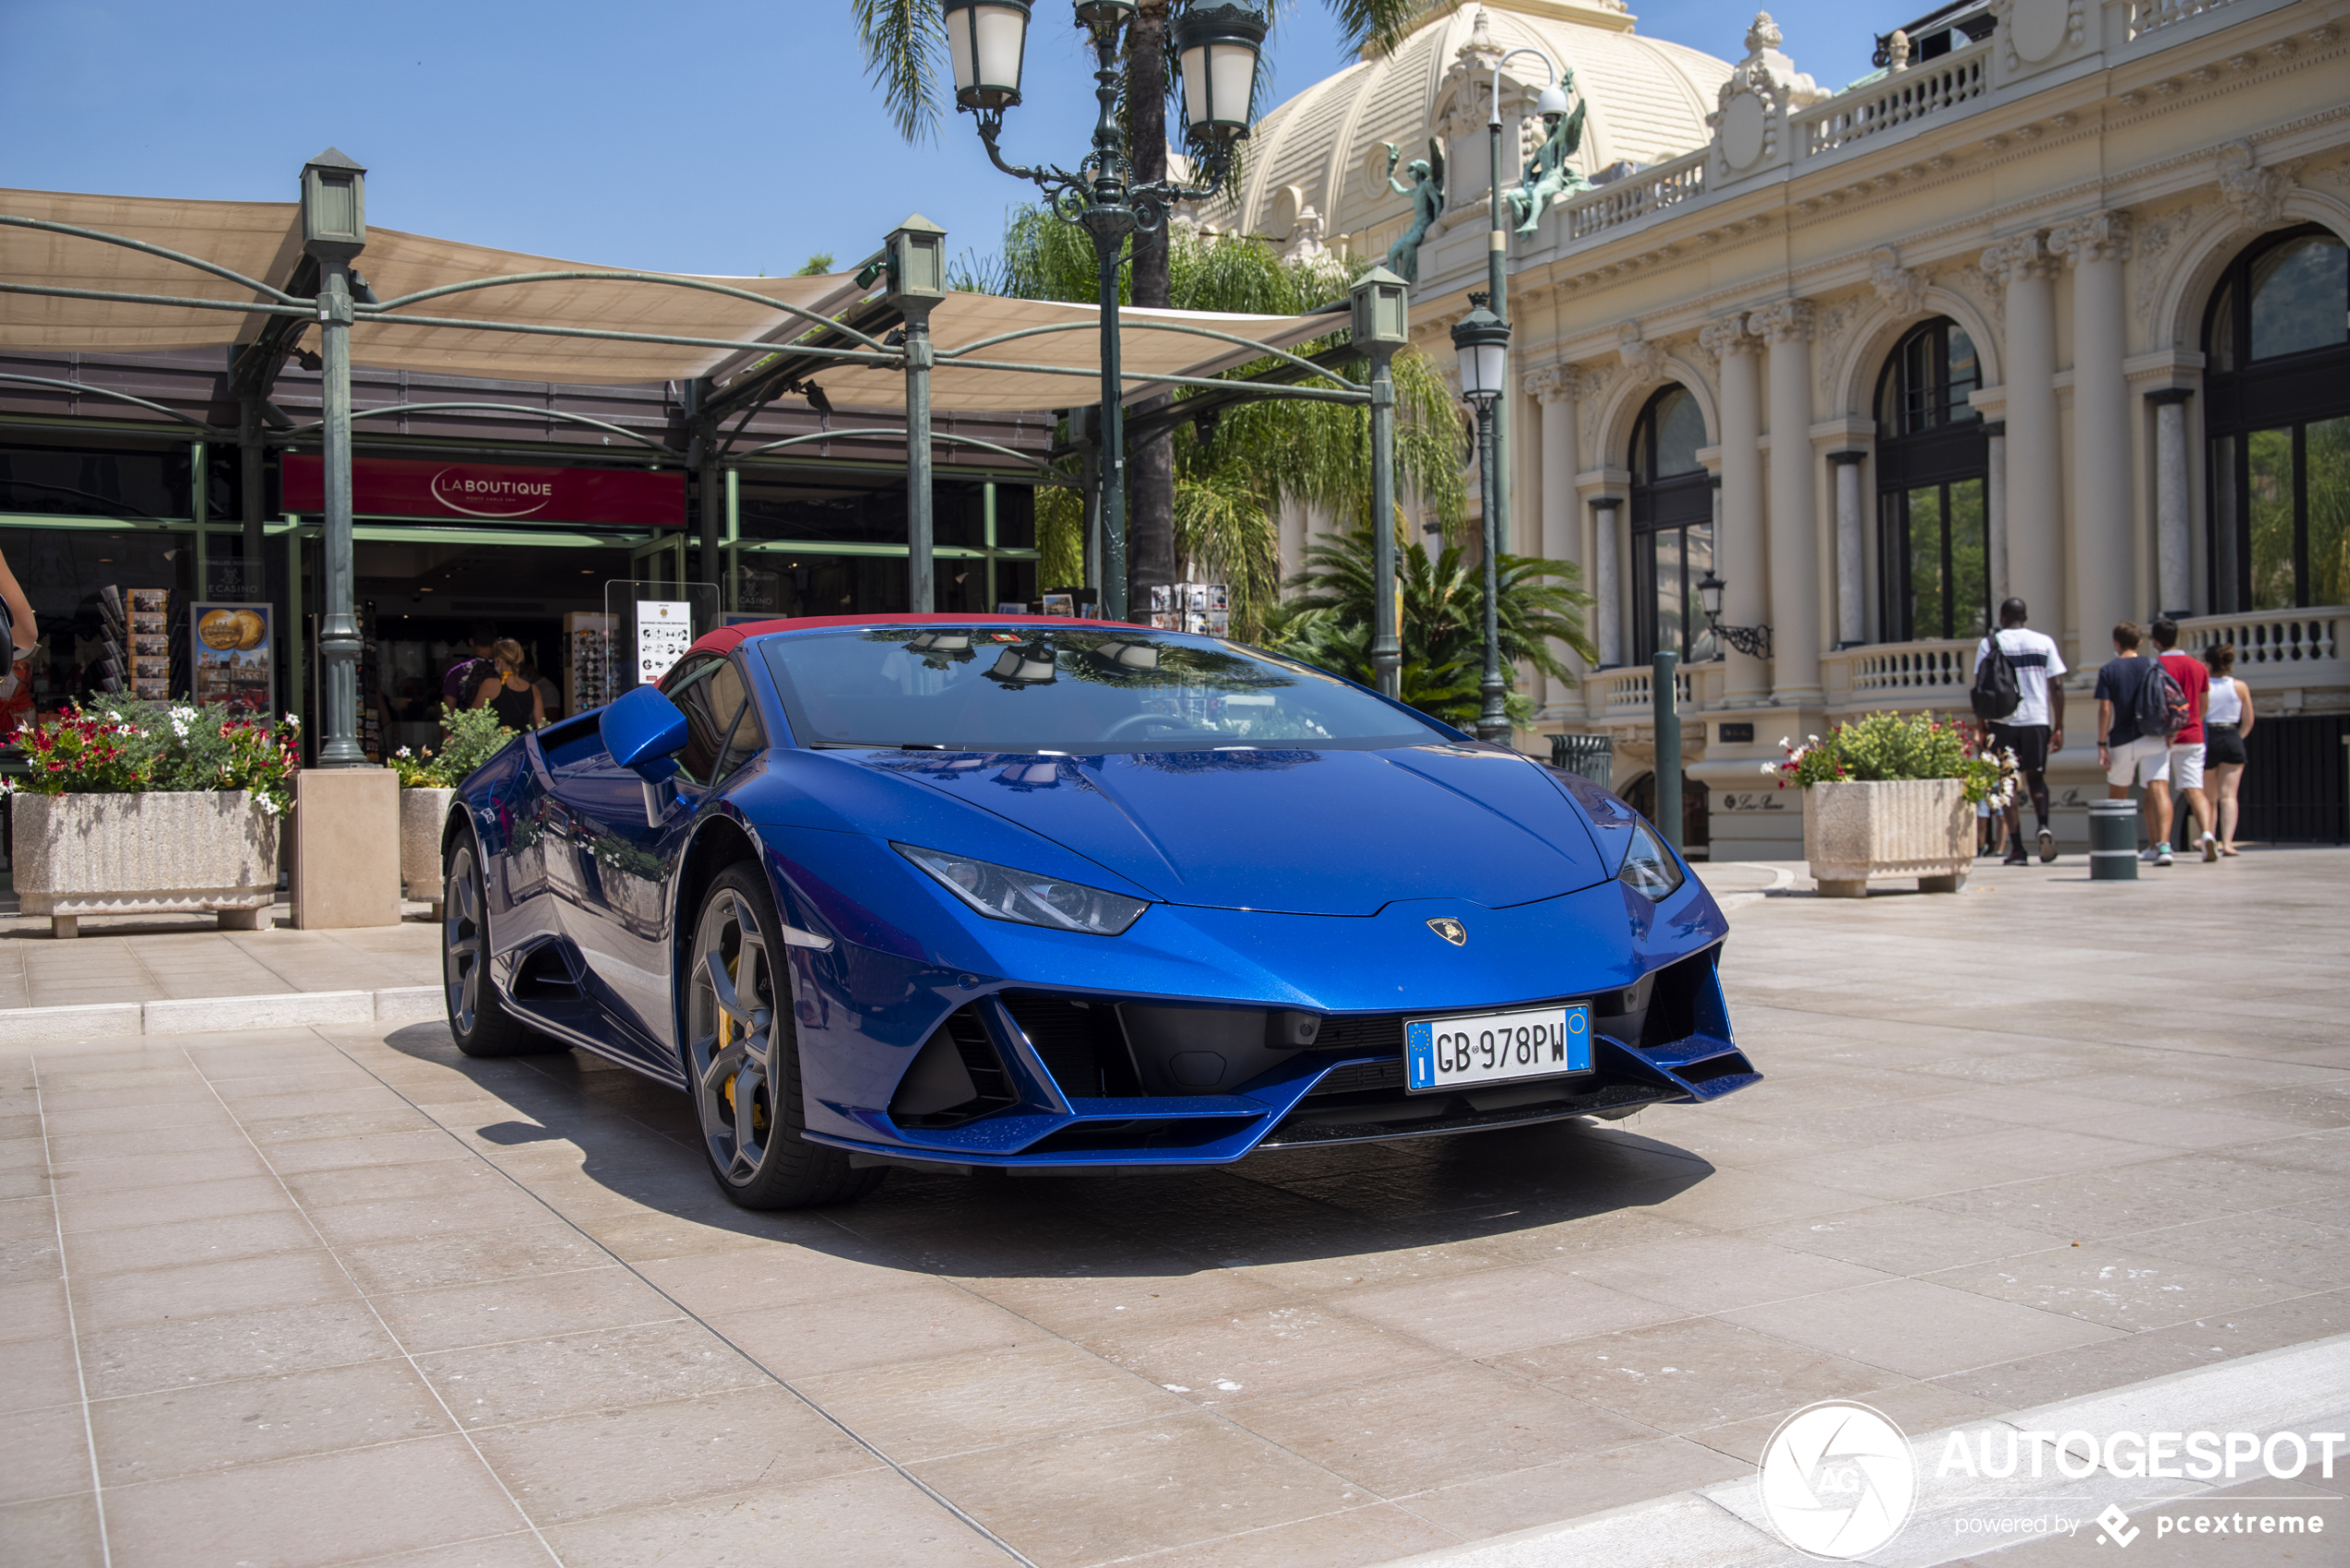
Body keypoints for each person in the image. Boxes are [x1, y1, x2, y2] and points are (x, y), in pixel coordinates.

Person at [1977, 598, 2066, 865]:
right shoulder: (2044, 642)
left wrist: (1981, 727)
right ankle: (2043, 825)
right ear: (2024, 617)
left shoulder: (1990, 643)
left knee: (2008, 783)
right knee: (2037, 779)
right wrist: (2058, 726)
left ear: (2002, 617)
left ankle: (2016, 849)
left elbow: (1981, 689)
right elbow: (2057, 687)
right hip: (2038, 720)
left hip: (2003, 722)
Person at [2094, 621, 2173, 866]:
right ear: (2140, 642)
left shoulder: (2109, 670)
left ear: (2115, 642)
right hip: (2153, 735)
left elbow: (2105, 709)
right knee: (2159, 788)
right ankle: (2163, 846)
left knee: (2119, 792)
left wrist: (2102, 743)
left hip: (2123, 740)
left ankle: (2118, 847)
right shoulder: (2154, 664)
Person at [2149, 618, 2215, 861]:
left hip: (2161, 736)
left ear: (2155, 640)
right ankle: (2207, 833)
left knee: (2159, 789)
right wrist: (2193, 722)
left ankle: (2162, 844)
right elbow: (2203, 705)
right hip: (2194, 734)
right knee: (2195, 789)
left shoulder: (2155, 666)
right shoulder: (2198, 667)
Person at [2201, 641, 2255, 857]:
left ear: (2208, 663)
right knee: (2229, 796)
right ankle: (2229, 843)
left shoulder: (2203, 685)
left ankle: (2209, 837)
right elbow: (2248, 720)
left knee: (2209, 797)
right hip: (2231, 734)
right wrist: (2237, 738)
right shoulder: (2240, 686)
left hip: (2209, 736)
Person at [471, 638, 544, 731]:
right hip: (521, 743)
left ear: (499, 659)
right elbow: (542, 727)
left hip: (497, 744)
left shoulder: (490, 684)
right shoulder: (533, 689)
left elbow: (471, 718)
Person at [441, 621, 499, 716]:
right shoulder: (505, 670)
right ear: (495, 643)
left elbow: (447, 713)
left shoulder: (456, 672)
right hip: (500, 729)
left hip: (467, 728)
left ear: (471, 642)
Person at [519, 656, 561, 721]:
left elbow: (551, 720)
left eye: (520, 673)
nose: (519, 677)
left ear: (530, 667)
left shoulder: (548, 689)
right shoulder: (523, 689)